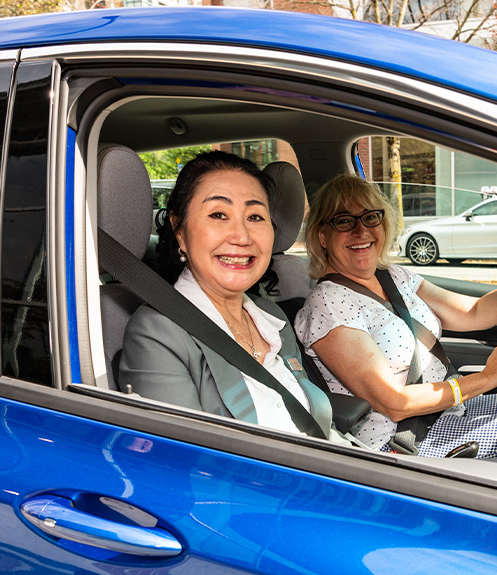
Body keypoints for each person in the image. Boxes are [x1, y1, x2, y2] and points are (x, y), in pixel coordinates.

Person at [294, 174, 497, 459]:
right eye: (344, 221)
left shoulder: (393, 276)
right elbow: (393, 403)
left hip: (445, 410)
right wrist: (484, 379)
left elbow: (476, 313)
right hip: (402, 439)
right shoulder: (328, 303)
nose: (362, 231)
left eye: (371, 217)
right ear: (322, 235)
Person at [118, 151, 338, 440]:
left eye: (255, 216)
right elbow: (187, 465)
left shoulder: (271, 318)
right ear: (179, 229)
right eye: (219, 215)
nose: (242, 236)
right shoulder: (156, 333)